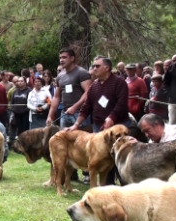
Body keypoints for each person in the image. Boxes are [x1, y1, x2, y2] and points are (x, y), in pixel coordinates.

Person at [68, 56, 129, 185]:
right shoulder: (94, 86)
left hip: (118, 127)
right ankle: (107, 186)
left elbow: (121, 104)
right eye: (93, 66)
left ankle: (125, 185)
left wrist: (111, 118)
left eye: (97, 66)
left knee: (120, 157)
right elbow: (86, 107)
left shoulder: (119, 83)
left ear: (107, 68)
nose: (93, 69)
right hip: (99, 127)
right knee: (103, 157)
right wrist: (76, 124)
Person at [46, 48, 92, 129]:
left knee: (80, 140)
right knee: (63, 140)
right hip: (64, 114)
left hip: (80, 114)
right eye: (60, 58)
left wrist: (75, 107)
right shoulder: (60, 76)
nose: (61, 60)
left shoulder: (82, 73)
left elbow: (88, 92)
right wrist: (50, 115)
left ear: (72, 58)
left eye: (64, 57)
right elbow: (56, 97)